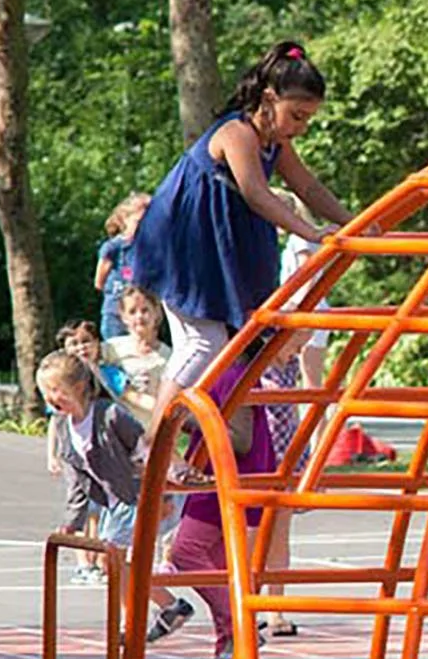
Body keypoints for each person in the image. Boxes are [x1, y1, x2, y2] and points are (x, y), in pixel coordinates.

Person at [131, 41, 349, 445]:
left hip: (220, 249)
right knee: (203, 342)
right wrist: (311, 233)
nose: (300, 127)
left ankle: (182, 433)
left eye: (307, 120)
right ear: (269, 98)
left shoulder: (275, 142)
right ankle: (153, 443)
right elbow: (256, 194)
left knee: (225, 347)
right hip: (189, 248)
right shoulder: (237, 132)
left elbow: (308, 186)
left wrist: (354, 223)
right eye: (296, 116)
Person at [146, 346, 277, 659]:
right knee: (220, 566)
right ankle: (228, 646)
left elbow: (240, 438)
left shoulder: (231, 374)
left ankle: (239, 626)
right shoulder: (224, 373)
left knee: (184, 553)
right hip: (220, 477)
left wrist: (183, 417)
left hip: (223, 480)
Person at [37, 350, 143, 584]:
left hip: (135, 495)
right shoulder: (65, 428)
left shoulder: (109, 414)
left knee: (111, 560)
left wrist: (161, 495)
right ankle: (169, 606)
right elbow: (77, 483)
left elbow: (144, 447)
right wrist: (71, 522)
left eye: (56, 390)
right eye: (45, 392)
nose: (50, 398)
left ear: (79, 386)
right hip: (114, 502)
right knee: (112, 563)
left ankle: (129, 618)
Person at [104, 286, 171, 428]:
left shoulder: (169, 356)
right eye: (132, 311)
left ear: (157, 313)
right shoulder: (111, 349)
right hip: (119, 430)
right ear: (123, 317)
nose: (139, 316)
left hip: (153, 430)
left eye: (145, 310)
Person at [94, 194, 150, 341]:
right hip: (116, 312)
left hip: (142, 314)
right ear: (125, 219)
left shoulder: (149, 248)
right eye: (138, 221)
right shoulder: (114, 247)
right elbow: (99, 282)